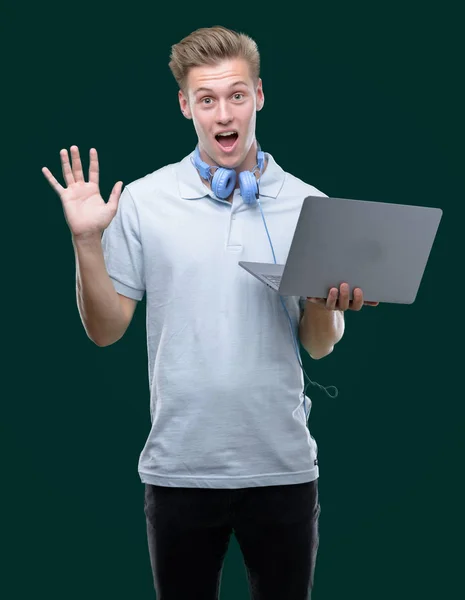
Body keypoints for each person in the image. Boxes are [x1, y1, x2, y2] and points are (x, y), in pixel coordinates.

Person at [42, 25, 378, 600]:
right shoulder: (144, 201)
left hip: (283, 469)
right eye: (207, 99)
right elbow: (106, 331)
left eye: (237, 95)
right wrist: (86, 243)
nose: (224, 114)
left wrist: (325, 304)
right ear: (185, 105)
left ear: (259, 96)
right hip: (179, 470)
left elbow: (318, 344)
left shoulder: (310, 204)